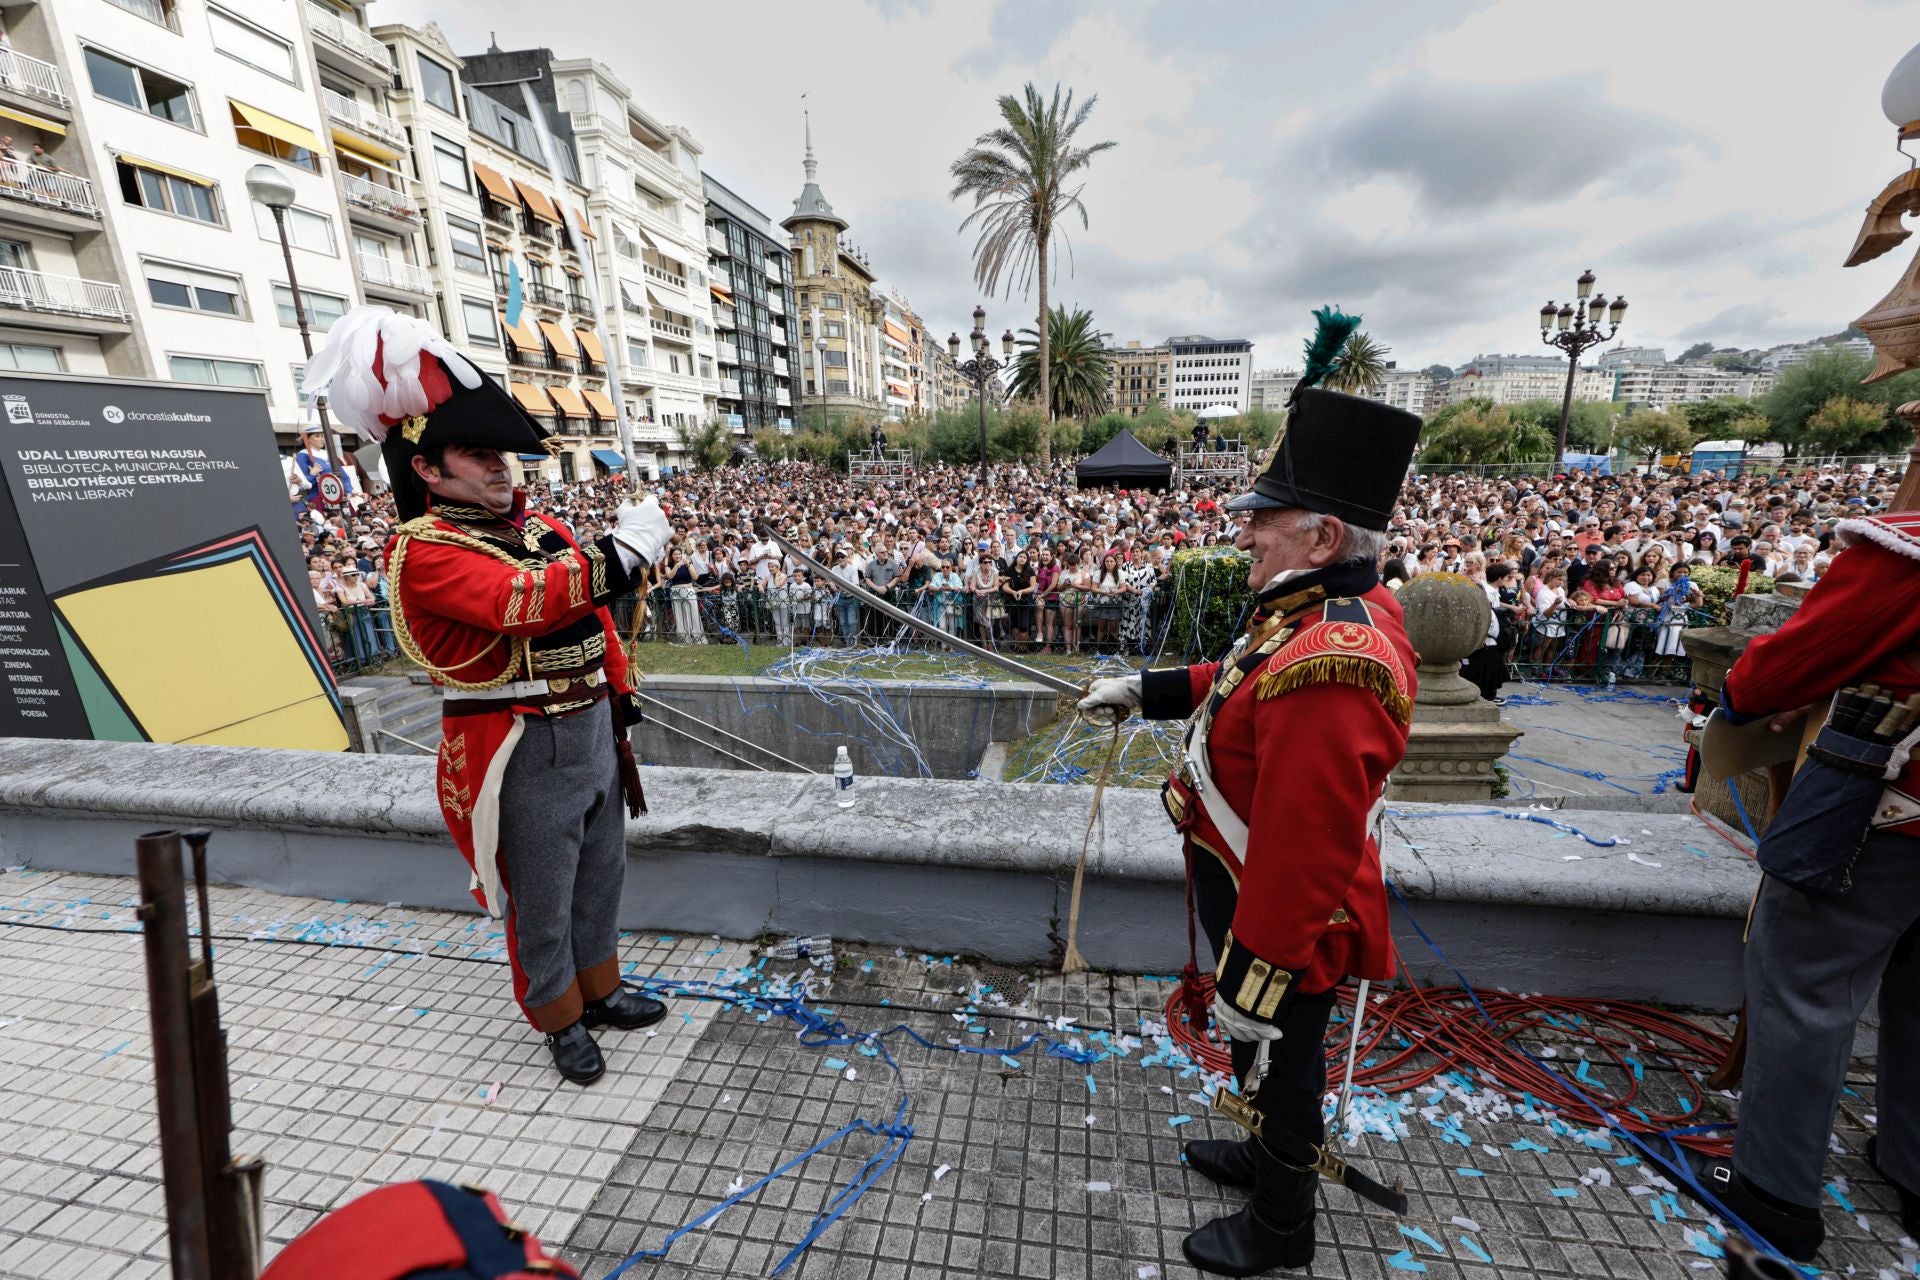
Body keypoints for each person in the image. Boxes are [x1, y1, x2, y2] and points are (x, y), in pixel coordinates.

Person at [1078, 380, 1422, 1276]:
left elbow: (1308, 841)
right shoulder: (1306, 616)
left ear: (1323, 536)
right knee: (1259, 1059)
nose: (1243, 532)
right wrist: (1145, 691)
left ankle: (1281, 1226)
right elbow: (1235, 679)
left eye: (1264, 519)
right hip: (1244, 881)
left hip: (1288, 917)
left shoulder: (1335, 656)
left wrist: (1261, 966)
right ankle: (1260, 1148)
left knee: (1285, 1060)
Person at [303, 306, 672, 1086]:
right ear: (428, 471)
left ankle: (601, 988)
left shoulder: (543, 531)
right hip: (520, 737)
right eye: (474, 455)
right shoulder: (426, 548)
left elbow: (592, 618)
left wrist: (619, 697)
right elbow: (523, 604)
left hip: (590, 724)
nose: (499, 466)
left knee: (602, 873)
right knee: (542, 894)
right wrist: (621, 550)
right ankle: (558, 1015)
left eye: (496, 452)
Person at [1687, 504, 1920, 1261]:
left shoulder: (1904, 553)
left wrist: (1767, 693)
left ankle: (1773, 1194)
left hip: (1888, 815)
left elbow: (1775, 672)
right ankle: (1910, 1166)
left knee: (1804, 984)